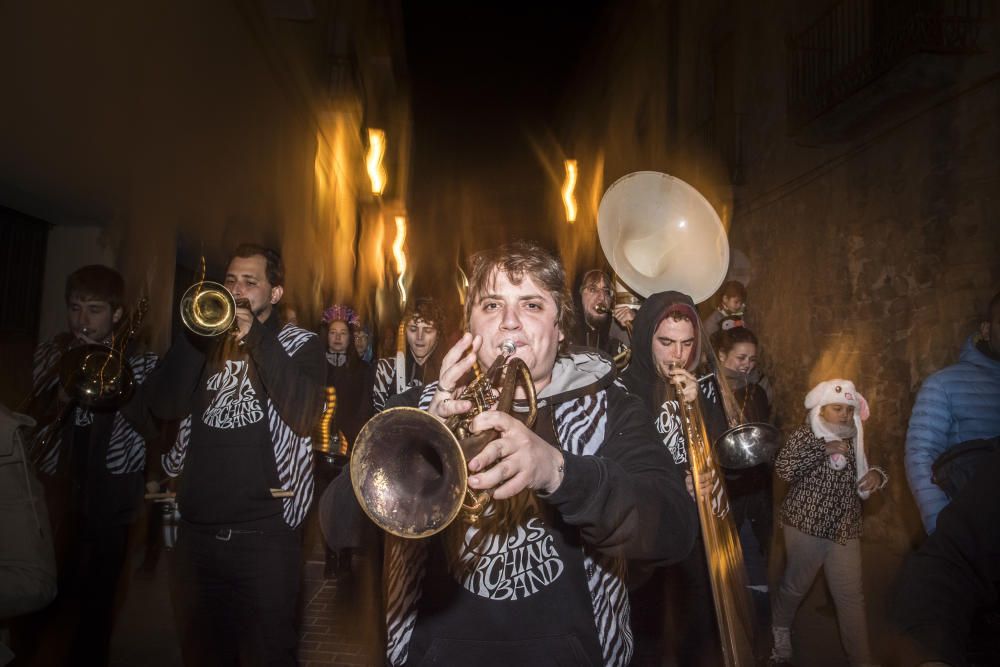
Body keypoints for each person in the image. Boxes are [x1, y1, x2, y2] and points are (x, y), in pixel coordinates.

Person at [321, 241, 696, 666]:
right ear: (470, 326)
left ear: (560, 329)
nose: (511, 323)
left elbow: (674, 529)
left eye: (532, 305)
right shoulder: (413, 410)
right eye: (492, 305)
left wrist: (559, 472)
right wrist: (418, 445)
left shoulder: (612, 408)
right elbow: (338, 526)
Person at [125, 243, 324, 665]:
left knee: (269, 655)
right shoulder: (203, 343)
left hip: (266, 538)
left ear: (275, 293)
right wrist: (194, 337)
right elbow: (162, 406)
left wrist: (253, 335)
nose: (236, 291)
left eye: (250, 283)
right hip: (195, 536)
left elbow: (306, 412)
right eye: (230, 281)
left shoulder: (298, 344)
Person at [26, 264, 157, 666]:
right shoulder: (53, 351)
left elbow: (151, 424)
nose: (82, 320)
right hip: (58, 479)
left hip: (113, 487)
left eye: (95, 309)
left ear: (117, 314)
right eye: (75, 308)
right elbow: (34, 415)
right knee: (46, 586)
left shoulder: (141, 361)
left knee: (100, 592)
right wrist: (59, 394)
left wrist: (117, 383)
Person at [617, 290, 731, 667]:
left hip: (694, 527)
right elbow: (622, 465)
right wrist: (672, 483)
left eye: (685, 344)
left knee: (694, 624)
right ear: (646, 335)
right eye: (665, 342)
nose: (676, 356)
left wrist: (700, 404)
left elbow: (720, 449)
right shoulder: (625, 390)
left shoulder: (697, 388)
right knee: (647, 629)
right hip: (647, 535)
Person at [770, 379, 888, 666]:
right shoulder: (805, 435)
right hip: (806, 524)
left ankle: (861, 659)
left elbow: (872, 465)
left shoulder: (857, 435)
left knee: (850, 597)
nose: (846, 415)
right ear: (821, 408)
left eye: (849, 409)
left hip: (845, 527)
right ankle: (780, 629)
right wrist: (821, 450)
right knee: (796, 586)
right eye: (838, 409)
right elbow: (783, 469)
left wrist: (877, 476)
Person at [905, 290, 1000, 534]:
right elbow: (920, 456)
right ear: (987, 330)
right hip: (975, 536)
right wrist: (944, 529)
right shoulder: (943, 384)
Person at [371, 297, 445, 413]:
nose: (420, 337)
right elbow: (377, 420)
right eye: (413, 329)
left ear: (438, 334)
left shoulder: (446, 372)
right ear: (405, 331)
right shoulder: (385, 370)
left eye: (428, 330)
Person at [571, 269, 629, 359]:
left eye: (606, 291)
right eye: (593, 289)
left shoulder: (617, 335)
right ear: (579, 296)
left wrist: (635, 324)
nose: (602, 297)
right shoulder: (563, 335)